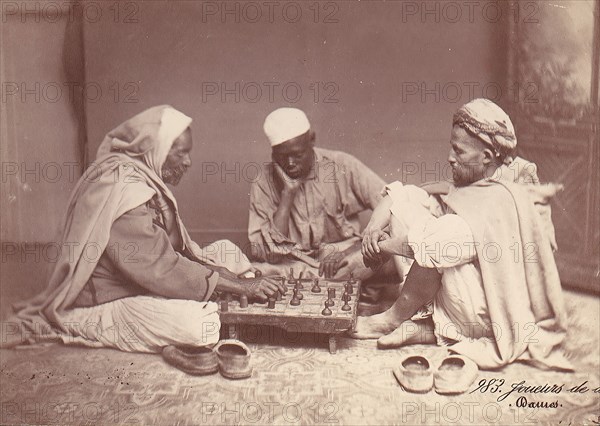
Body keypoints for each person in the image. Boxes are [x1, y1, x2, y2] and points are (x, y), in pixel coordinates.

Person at [2, 106, 285, 353]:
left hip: (142, 279)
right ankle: (78, 324)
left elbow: (175, 251)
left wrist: (223, 275)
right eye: (182, 153)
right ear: (156, 150)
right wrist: (239, 285)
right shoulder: (121, 189)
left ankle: (214, 292)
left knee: (226, 251)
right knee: (200, 324)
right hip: (106, 300)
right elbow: (161, 267)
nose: (188, 162)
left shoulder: (142, 178)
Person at [353, 98, 572, 370]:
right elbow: (404, 196)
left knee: (435, 247)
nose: (450, 158)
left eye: (459, 152)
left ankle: (394, 318)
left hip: (491, 315)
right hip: (467, 296)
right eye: (451, 148)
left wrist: (382, 247)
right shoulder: (479, 183)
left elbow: (435, 244)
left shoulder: (502, 198)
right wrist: (373, 230)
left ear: (488, 157)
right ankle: (425, 324)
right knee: (409, 205)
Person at [248, 107, 399, 285]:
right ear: (273, 154)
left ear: (312, 140)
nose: (290, 164)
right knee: (257, 271)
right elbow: (267, 253)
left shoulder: (342, 164)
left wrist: (348, 251)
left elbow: (395, 206)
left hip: (345, 256)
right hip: (293, 262)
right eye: (282, 157)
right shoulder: (262, 181)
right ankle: (331, 282)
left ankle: (314, 280)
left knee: (385, 259)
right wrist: (287, 194)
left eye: (297, 155)